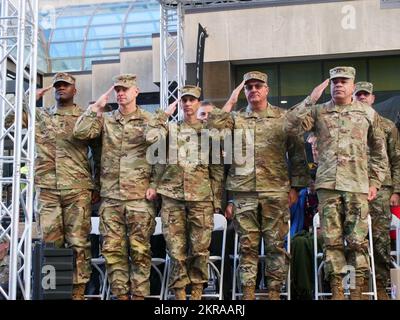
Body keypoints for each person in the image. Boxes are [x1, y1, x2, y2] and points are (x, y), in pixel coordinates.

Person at [284, 67, 388, 300]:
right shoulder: (319, 111)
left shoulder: (368, 114)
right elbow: (289, 125)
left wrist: (375, 182)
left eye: (344, 81)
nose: (338, 85)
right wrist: (311, 98)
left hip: (357, 186)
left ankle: (356, 291)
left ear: (353, 85)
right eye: (335, 81)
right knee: (331, 243)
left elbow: (380, 153)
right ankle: (337, 291)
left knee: (357, 243)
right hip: (328, 187)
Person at [207, 71, 308, 300]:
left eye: (258, 86)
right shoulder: (236, 119)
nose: (253, 90)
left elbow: (297, 152)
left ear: (266, 90)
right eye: (249, 87)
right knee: (247, 248)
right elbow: (212, 130)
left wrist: (296, 187)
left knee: (275, 247)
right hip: (244, 193)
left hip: (276, 192)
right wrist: (231, 100)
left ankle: (274, 293)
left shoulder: (283, 117)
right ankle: (248, 294)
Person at [5, 73, 100, 300]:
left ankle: (77, 293)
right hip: (47, 190)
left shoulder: (84, 117)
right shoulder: (40, 115)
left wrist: (96, 186)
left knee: (78, 243)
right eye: (57, 86)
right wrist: (27, 99)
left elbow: (98, 154)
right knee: (52, 245)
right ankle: (56, 293)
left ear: (74, 90)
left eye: (65, 86)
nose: (60, 89)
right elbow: (9, 123)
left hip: (77, 190)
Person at [73, 74, 157, 300]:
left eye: (125, 89)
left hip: (139, 199)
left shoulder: (149, 120)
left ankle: (139, 297)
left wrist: (156, 184)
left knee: (140, 252)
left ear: (136, 92)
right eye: (118, 89)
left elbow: (163, 157)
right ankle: (120, 296)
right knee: (113, 252)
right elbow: (80, 133)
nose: (121, 93)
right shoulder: (106, 120)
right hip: (110, 199)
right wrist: (95, 108)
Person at [145, 85, 222, 300]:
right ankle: (179, 294)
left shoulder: (210, 132)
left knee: (199, 249)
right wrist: (164, 114)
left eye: (192, 100)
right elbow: (151, 141)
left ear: (198, 103)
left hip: (201, 197)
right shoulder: (170, 130)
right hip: (172, 197)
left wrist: (216, 199)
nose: (187, 103)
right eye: (184, 100)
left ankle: (197, 292)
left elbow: (216, 169)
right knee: (175, 250)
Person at [354, 81, 400, 299]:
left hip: (381, 189)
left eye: (366, 95)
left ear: (372, 98)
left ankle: (382, 287)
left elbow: (397, 160)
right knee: (353, 241)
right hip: (352, 189)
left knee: (380, 241)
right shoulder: (347, 125)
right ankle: (355, 287)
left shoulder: (387, 126)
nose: (362, 97)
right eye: (358, 94)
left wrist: (396, 191)